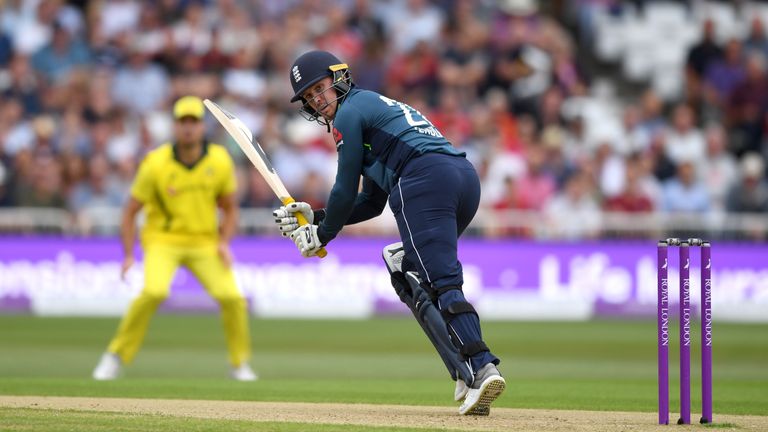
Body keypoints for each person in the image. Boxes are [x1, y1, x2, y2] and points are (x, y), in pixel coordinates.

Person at [272, 50, 504, 415]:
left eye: (319, 89)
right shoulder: (371, 108)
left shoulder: (349, 113)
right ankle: (462, 369)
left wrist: (324, 234)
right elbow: (370, 202)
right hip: (460, 179)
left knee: (441, 280)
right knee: (404, 265)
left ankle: (482, 366)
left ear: (339, 78)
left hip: (423, 181)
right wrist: (316, 218)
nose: (317, 100)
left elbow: (344, 190)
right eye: (309, 96)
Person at [92, 96, 255, 381]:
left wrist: (223, 242)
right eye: (183, 122)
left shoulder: (219, 159)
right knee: (153, 292)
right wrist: (129, 255)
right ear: (175, 127)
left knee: (233, 298)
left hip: (204, 242)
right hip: (162, 240)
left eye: (193, 122)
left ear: (202, 127)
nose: (189, 128)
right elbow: (130, 212)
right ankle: (115, 355)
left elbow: (229, 208)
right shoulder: (156, 163)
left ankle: (239, 364)